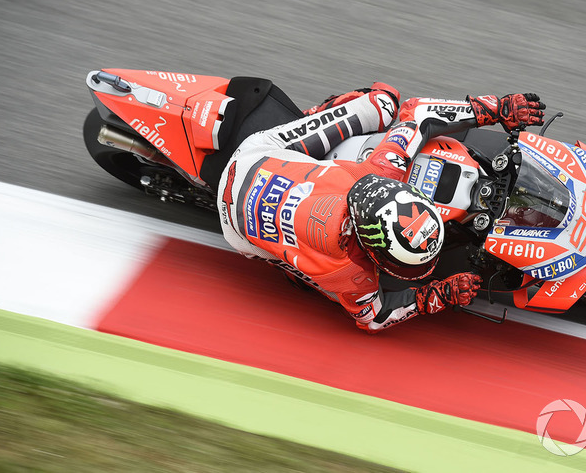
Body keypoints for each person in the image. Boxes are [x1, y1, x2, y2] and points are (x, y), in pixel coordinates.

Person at [217, 83, 545, 332]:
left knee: (383, 101)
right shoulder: (348, 274)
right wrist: (498, 109)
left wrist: (496, 109)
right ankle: (286, 268)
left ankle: (309, 123)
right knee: (312, 283)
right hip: (238, 218)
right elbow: (374, 318)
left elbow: (418, 113)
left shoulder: (379, 174)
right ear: (371, 252)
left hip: (258, 161)